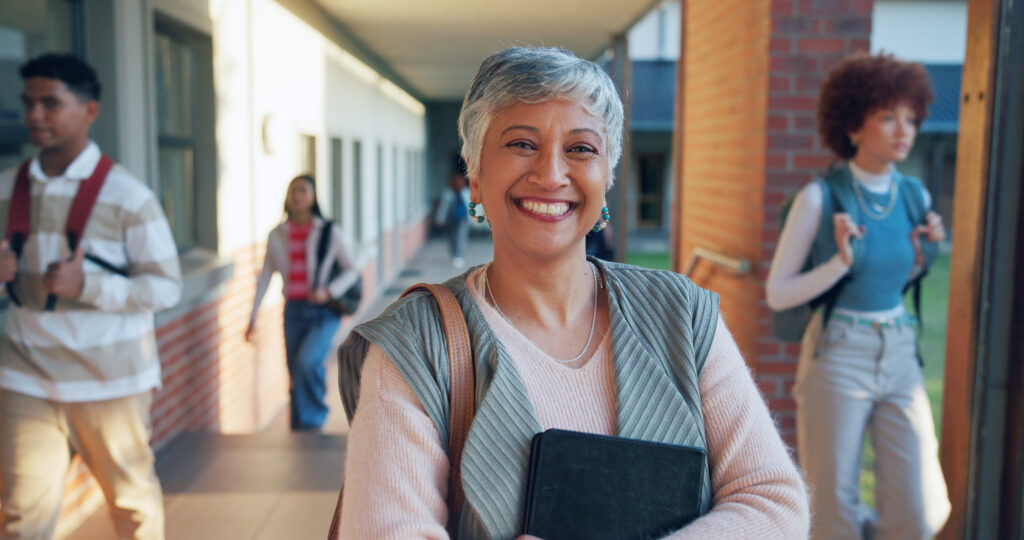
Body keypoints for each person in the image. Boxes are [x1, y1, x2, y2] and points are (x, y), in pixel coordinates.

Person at [335, 46, 809, 539]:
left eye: (581, 149)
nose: (551, 174)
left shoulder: (680, 314)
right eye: (521, 143)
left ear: (607, 177)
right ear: (475, 175)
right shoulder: (416, 344)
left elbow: (773, 501)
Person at [766, 53, 950, 539]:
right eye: (887, 116)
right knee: (833, 509)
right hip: (838, 354)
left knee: (920, 508)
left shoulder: (916, 197)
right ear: (852, 124)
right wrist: (839, 263)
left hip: (900, 352)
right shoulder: (819, 197)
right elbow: (778, 293)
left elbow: (896, 278)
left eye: (910, 118)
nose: (902, 130)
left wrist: (925, 253)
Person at [0, 54, 182, 539]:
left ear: (89, 110)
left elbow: (166, 286)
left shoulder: (128, 197)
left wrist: (88, 286)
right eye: (28, 103)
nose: (35, 115)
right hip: (25, 375)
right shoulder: (4, 190)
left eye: (50, 103)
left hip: (111, 382)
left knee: (133, 508)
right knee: (21, 518)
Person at [246, 174, 358, 430]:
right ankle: (299, 428)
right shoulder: (277, 234)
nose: (297, 195)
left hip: (323, 311)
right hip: (293, 311)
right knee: (295, 371)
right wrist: (252, 316)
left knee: (309, 362)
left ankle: (314, 421)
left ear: (313, 197)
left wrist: (328, 291)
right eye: (293, 190)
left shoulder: (328, 231)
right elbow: (265, 277)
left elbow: (352, 269)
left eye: (303, 191)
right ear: (288, 196)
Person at [435, 171, 472, 268]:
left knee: (460, 237)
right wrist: (440, 219)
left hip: (463, 219)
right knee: (452, 238)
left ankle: (458, 256)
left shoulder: (466, 192)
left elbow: (471, 207)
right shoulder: (448, 193)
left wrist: (472, 218)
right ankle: (454, 254)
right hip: (451, 219)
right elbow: (443, 207)